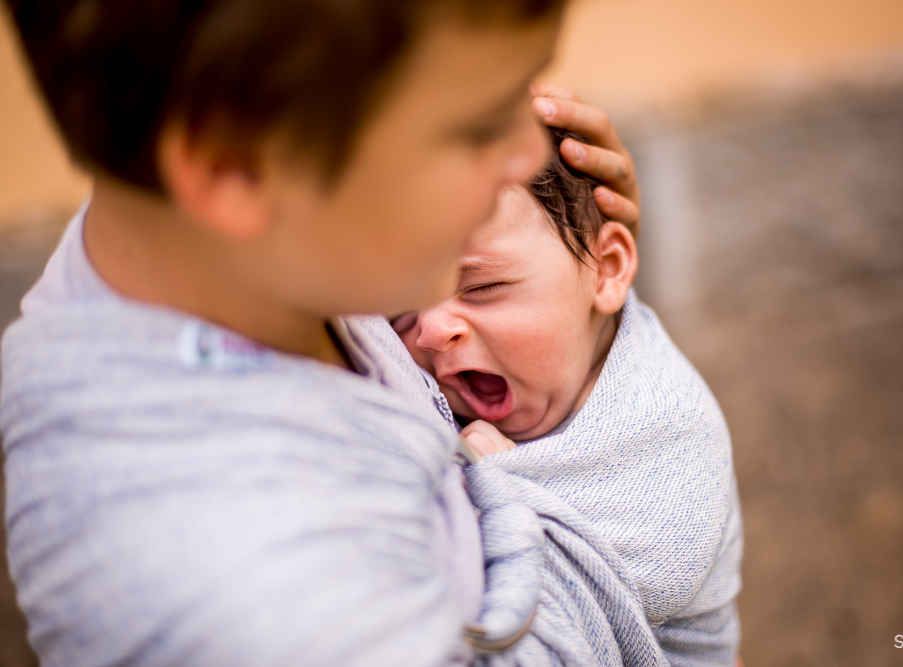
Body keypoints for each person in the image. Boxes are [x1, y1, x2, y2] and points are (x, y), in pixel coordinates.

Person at [0, 1, 641, 665]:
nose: (528, 156)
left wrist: (568, 259)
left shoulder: (244, 252)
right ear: (233, 169)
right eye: (476, 127)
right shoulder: (280, 612)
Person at [395, 128, 744, 666]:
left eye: (481, 288)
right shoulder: (555, 342)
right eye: (402, 310)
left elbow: (543, 616)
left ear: (605, 272)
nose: (431, 330)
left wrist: (501, 494)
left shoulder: (670, 435)